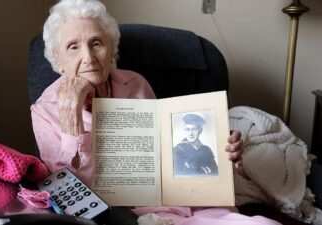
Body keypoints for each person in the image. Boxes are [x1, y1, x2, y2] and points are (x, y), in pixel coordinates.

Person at [30, 0, 280, 224]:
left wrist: (223, 150)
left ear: (111, 49)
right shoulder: (44, 110)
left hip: (189, 201)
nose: (88, 57)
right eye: (73, 47)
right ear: (58, 60)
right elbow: (69, 193)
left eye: (96, 43)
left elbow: (165, 149)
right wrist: (71, 119)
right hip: (124, 216)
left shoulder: (136, 83)